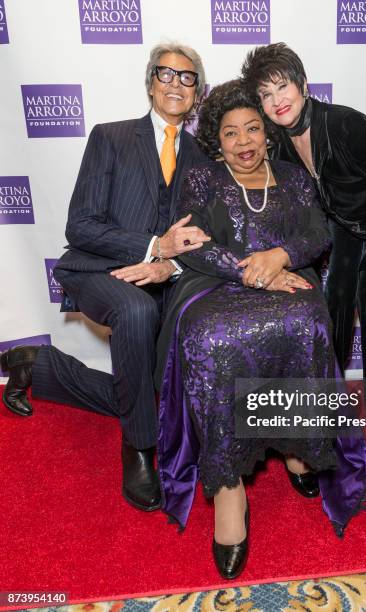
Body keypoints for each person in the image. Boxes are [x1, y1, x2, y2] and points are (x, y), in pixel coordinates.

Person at [155, 80, 366, 580]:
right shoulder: (202, 179)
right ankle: (229, 489)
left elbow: (318, 233)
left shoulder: (295, 179)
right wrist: (249, 270)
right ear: (217, 141)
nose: (244, 140)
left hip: (289, 279)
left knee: (307, 320)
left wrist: (280, 257)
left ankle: (298, 446)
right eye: (231, 133)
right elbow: (191, 243)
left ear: (267, 132)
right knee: (212, 340)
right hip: (217, 287)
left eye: (253, 127)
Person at [0, 43, 209, 512]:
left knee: (153, 393)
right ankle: (138, 448)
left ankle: (37, 364)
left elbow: (201, 241)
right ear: (150, 81)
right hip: (98, 270)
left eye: (187, 77)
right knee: (135, 311)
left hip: (167, 280)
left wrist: (168, 264)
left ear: (198, 92)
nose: (175, 83)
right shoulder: (111, 137)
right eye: (166, 73)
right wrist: (153, 246)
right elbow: (81, 225)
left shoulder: (205, 160)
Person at [241, 43, 366, 437]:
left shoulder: (343, 124)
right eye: (266, 94)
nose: (276, 101)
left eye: (282, 88)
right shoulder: (283, 144)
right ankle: (330, 390)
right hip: (346, 225)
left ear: (303, 85)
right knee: (335, 299)